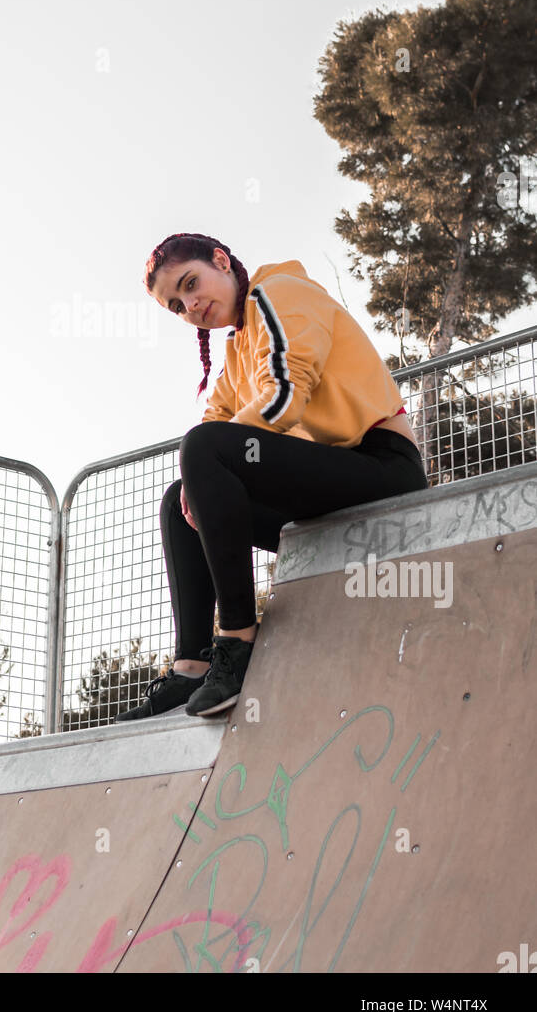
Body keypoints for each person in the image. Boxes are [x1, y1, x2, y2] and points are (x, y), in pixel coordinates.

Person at [116, 232, 429, 722]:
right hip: (328, 493)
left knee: (203, 452)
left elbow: (285, 395)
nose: (191, 305)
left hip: (382, 469)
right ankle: (192, 665)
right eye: (177, 305)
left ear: (221, 261)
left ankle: (238, 639)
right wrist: (200, 480)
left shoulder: (279, 292)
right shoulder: (236, 350)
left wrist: (209, 456)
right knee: (180, 499)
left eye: (191, 283)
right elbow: (213, 423)